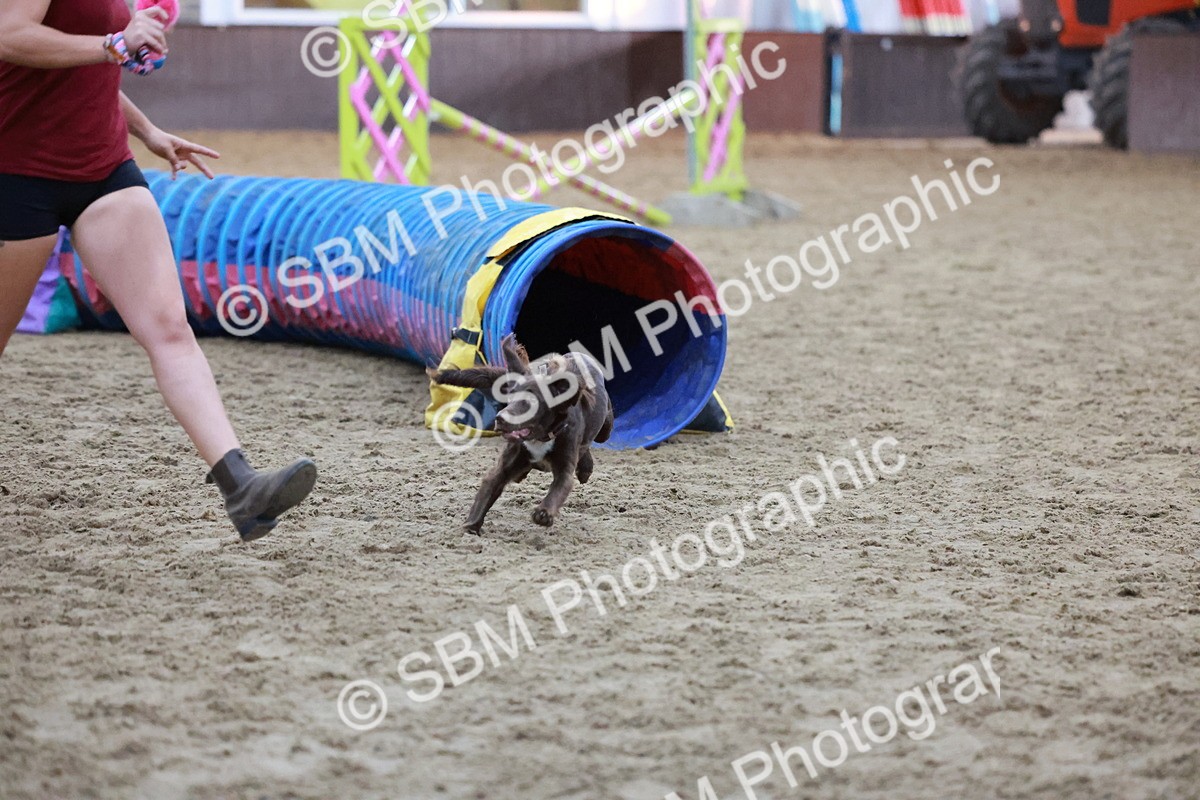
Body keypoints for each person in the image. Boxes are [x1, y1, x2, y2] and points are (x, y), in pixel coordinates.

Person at [0, 0, 317, 542]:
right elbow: (9, 35)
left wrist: (147, 130)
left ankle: (240, 485)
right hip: (16, 171)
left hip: (103, 169)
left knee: (169, 329)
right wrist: (111, 44)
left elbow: (83, 72)